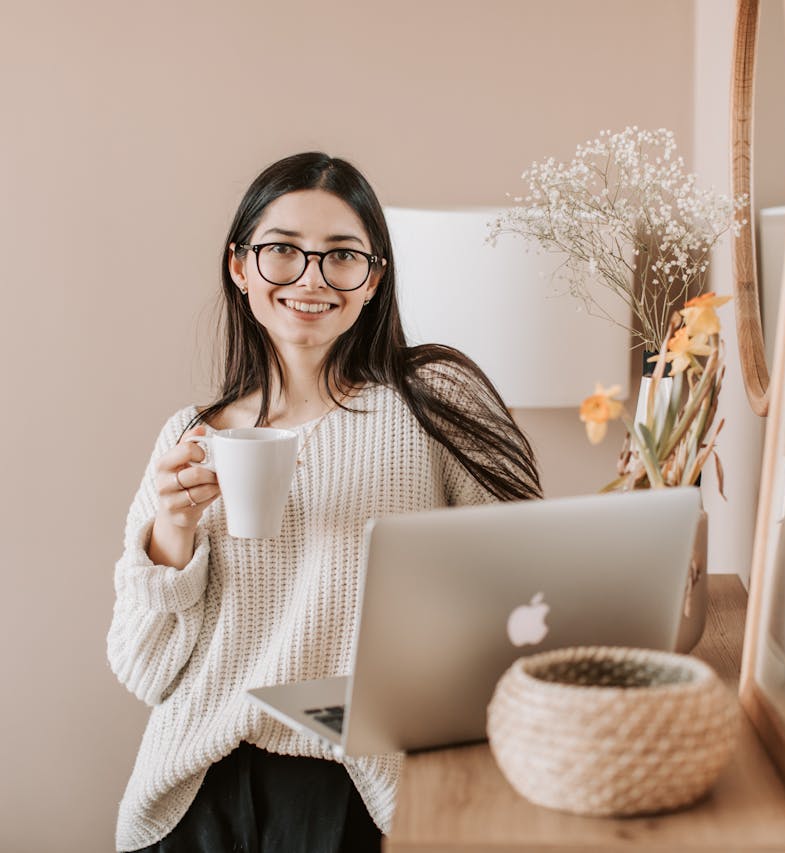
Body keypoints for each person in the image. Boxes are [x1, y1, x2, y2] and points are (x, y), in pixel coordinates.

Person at [107, 152, 542, 853]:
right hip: (196, 789)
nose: (310, 278)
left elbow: (533, 582)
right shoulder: (190, 436)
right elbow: (144, 671)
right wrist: (173, 533)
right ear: (240, 266)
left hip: (358, 787)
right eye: (282, 250)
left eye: (341, 256)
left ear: (372, 280)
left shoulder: (434, 398)